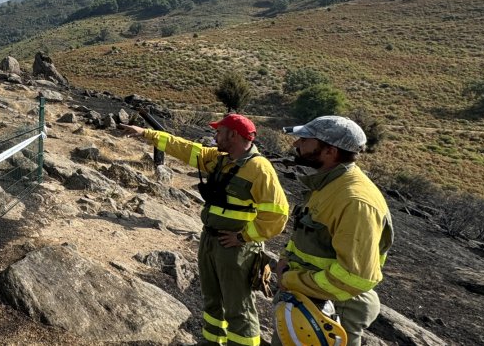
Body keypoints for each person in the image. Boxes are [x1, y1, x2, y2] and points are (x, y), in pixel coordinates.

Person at [118, 113, 288, 346]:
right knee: (212, 302)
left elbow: (278, 216)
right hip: (211, 241)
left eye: (220, 132)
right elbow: (185, 147)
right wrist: (146, 134)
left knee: (238, 308)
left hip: (236, 249)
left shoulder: (259, 169)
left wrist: (243, 237)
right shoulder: (218, 158)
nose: (215, 136)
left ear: (234, 135)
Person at [273, 116, 392, 346]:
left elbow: (355, 277)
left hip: (333, 312)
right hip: (308, 301)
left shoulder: (355, 201)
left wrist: (291, 279)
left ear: (330, 151)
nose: (295, 144)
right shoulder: (327, 185)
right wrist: (285, 259)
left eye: (305, 140)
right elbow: (309, 237)